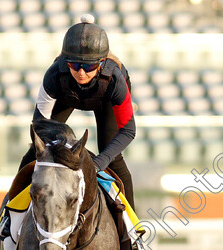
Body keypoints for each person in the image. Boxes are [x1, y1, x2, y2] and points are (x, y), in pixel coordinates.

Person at [18, 14, 137, 210]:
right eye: (74, 65)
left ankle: (132, 228)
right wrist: (59, 144)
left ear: (100, 63)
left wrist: (99, 163)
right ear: (66, 62)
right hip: (67, 96)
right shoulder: (55, 74)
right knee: (34, 151)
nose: (81, 72)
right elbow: (39, 125)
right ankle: (9, 215)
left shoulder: (116, 81)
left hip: (105, 100)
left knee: (113, 158)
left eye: (89, 66)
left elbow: (128, 131)